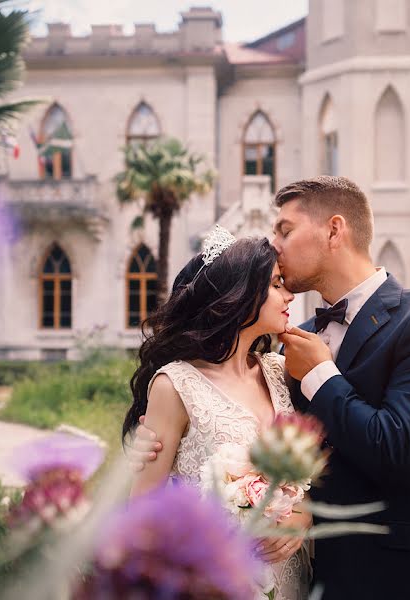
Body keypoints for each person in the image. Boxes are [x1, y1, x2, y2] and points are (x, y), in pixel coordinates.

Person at [133, 176, 410, 599]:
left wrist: (320, 375)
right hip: (321, 579)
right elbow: (300, 457)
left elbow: (397, 446)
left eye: (285, 230)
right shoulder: (288, 350)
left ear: (334, 230)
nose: (274, 244)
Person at [123, 229, 312, 600]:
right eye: (276, 284)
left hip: (292, 581)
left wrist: (300, 518)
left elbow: (304, 479)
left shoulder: (280, 372)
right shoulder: (175, 384)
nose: (289, 295)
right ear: (240, 294)